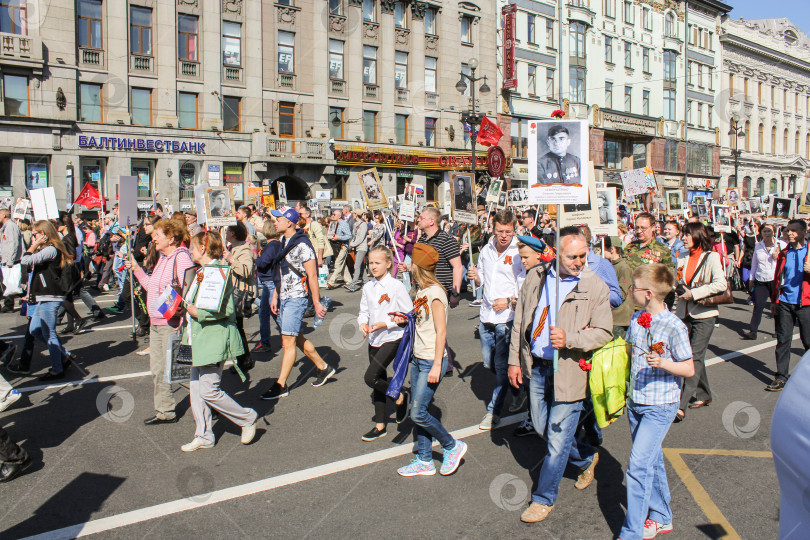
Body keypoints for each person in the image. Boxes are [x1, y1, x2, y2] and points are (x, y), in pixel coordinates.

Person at [507, 227, 612, 523]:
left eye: (583, 255)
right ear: (557, 252)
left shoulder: (594, 286)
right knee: (542, 427)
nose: (579, 261)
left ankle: (543, 498)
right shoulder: (536, 277)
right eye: (572, 256)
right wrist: (514, 361)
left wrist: (572, 339)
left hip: (570, 372)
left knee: (555, 439)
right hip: (538, 367)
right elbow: (520, 321)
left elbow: (604, 332)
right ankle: (586, 457)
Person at [618, 263, 695, 540]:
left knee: (638, 466)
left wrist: (663, 363)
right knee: (652, 461)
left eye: (634, 289)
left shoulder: (674, 326)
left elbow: (688, 369)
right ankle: (661, 516)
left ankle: (632, 531)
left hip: (660, 405)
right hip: (636, 400)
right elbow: (628, 352)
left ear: (648, 293)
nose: (631, 292)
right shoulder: (638, 318)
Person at [180, 231, 257, 452]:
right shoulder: (201, 272)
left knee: (208, 391)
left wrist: (198, 312)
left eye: (193, 246)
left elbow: (227, 310)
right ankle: (203, 435)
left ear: (202, 249)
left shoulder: (218, 273)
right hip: (198, 337)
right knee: (195, 390)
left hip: (213, 338)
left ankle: (247, 417)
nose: (190, 250)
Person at [395, 243, 468, 477]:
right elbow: (422, 322)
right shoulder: (422, 291)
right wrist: (406, 320)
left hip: (430, 360)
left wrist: (438, 364)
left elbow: (441, 331)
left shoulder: (435, 293)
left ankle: (452, 446)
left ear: (418, 266)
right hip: (419, 358)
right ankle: (425, 460)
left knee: (417, 413)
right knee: (421, 410)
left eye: (412, 263)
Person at [260, 208, 335, 400]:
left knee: (288, 342)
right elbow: (283, 273)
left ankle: (281, 384)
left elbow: (312, 275)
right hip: (284, 296)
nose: (275, 222)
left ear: (290, 223)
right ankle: (323, 367)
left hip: (297, 297)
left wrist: (317, 302)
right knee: (296, 337)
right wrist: (276, 295)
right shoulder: (284, 242)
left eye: (279, 219)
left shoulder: (303, 244)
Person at [129, 219, 194, 425]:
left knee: (179, 372)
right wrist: (137, 270)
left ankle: (210, 399)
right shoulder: (162, 258)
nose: (153, 238)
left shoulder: (181, 258)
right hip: (158, 322)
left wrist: (173, 312)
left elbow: (187, 290)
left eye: (158, 235)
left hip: (171, 322)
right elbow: (152, 287)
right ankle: (165, 411)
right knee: (158, 370)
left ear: (171, 238)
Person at [467, 210, 523, 430]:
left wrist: (510, 301)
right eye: (500, 231)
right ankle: (519, 390)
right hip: (486, 315)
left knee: (500, 366)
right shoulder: (486, 249)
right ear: (492, 227)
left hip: (506, 317)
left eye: (508, 231)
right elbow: (481, 277)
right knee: (489, 362)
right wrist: (475, 277)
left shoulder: (519, 250)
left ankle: (494, 412)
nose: (504, 236)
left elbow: (525, 284)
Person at [357, 246, 413, 441]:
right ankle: (380, 425)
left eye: (377, 263)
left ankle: (400, 395)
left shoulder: (396, 286)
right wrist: (362, 323)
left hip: (392, 337)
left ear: (388, 264)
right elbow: (364, 310)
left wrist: (386, 323)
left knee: (370, 377)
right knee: (377, 380)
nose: (373, 266)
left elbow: (408, 315)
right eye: (371, 262)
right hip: (374, 338)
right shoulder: (368, 287)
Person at [673, 222, 727, 421]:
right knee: (692, 355)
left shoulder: (711, 257)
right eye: (683, 235)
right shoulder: (682, 257)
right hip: (683, 313)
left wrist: (694, 293)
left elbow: (720, 284)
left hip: (704, 314)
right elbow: (678, 283)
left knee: (694, 356)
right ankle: (705, 394)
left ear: (697, 235)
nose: (683, 238)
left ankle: (681, 405)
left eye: (687, 235)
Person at [11, 221, 75, 380]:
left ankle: (57, 369)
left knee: (49, 334)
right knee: (35, 330)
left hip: (50, 297)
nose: (34, 237)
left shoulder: (51, 249)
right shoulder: (50, 249)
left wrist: (34, 245)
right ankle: (63, 355)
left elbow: (26, 260)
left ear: (45, 233)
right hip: (44, 297)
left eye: (36, 234)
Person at [767, 219, 810, 392]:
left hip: (806, 303)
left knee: (808, 342)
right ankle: (781, 376)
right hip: (785, 301)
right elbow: (778, 278)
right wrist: (774, 301)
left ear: (803, 232)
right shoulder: (784, 252)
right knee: (783, 340)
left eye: (793, 231)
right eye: (788, 230)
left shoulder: (809, 252)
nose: (789, 233)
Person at [405, 206, 463, 308]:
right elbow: (419, 266)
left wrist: (455, 293)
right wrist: (408, 267)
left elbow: (457, 267)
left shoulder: (447, 240)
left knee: (435, 324)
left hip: (438, 293)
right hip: (421, 291)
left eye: (421, 218)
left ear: (431, 221)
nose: (418, 219)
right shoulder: (422, 240)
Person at [223, 222, 256, 373]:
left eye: (228, 230)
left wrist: (231, 260)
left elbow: (246, 271)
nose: (226, 232)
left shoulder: (244, 249)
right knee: (235, 328)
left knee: (237, 328)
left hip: (238, 293)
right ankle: (243, 359)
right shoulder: (232, 247)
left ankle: (244, 360)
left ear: (234, 233)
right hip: (230, 292)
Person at [743, 224, 783, 340]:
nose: (767, 233)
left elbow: (785, 261)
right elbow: (754, 264)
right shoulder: (758, 246)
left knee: (776, 305)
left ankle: (778, 330)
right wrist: (751, 279)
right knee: (758, 305)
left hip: (774, 279)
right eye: (764, 231)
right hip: (761, 279)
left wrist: (778, 256)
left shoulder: (780, 245)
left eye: (769, 231)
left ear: (774, 232)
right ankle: (753, 331)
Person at [254, 220, 282, 354]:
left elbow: (264, 263)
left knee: (274, 312)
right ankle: (265, 341)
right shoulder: (276, 244)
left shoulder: (271, 246)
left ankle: (290, 336)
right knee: (264, 313)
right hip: (268, 282)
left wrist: (257, 259)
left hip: (270, 281)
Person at [602, 236, 634, 339]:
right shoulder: (610, 265)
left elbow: (621, 294)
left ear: (612, 249)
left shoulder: (623, 268)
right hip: (612, 317)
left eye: (603, 249)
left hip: (619, 318)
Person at [0, 208, 21, 312]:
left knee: (10, 283)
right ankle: (8, 304)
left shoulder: (10, 226)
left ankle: (9, 305)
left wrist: (10, 261)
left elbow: (13, 244)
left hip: (11, 262)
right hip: (6, 260)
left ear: (4, 215)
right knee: (6, 283)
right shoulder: (6, 227)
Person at [326, 208, 353, 289]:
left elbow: (349, 235)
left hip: (343, 246)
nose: (332, 216)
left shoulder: (344, 224)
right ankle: (349, 280)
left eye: (334, 214)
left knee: (338, 263)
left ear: (339, 216)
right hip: (335, 245)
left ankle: (331, 281)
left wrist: (338, 237)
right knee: (342, 264)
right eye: (332, 214)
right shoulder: (333, 223)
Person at [346, 212, 370, 292]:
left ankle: (353, 284)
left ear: (356, 214)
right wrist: (352, 243)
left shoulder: (363, 224)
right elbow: (355, 236)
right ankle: (366, 282)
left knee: (357, 266)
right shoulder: (355, 224)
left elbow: (361, 237)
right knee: (361, 266)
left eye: (353, 214)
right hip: (356, 247)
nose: (352, 215)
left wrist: (353, 244)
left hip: (362, 247)